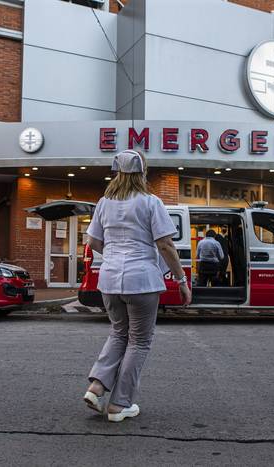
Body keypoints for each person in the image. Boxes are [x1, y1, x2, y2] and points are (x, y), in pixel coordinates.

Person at [82, 149, 192, 423]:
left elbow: (94, 242)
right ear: (143, 173)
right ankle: (119, 404)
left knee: (119, 333)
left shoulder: (105, 203)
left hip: (109, 280)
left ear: (117, 173)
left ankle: (97, 386)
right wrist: (181, 280)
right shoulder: (150, 202)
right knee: (139, 341)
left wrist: (116, 255)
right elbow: (165, 244)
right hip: (141, 279)